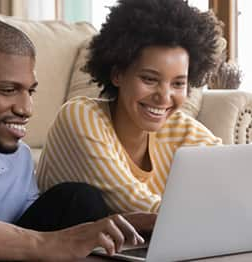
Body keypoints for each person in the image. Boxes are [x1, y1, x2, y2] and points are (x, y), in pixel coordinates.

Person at [0, 17, 154, 261]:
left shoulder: (18, 158)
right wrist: (41, 243)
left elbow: (39, 229)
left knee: (78, 200)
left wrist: (119, 227)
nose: (26, 109)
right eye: (8, 90)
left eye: (30, 91)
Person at [37, 0, 224, 214]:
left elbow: (234, 176)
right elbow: (130, 201)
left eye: (178, 83)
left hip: (135, 245)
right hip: (61, 237)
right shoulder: (80, 116)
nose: (164, 97)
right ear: (117, 74)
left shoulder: (181, 130)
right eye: (149, 79)